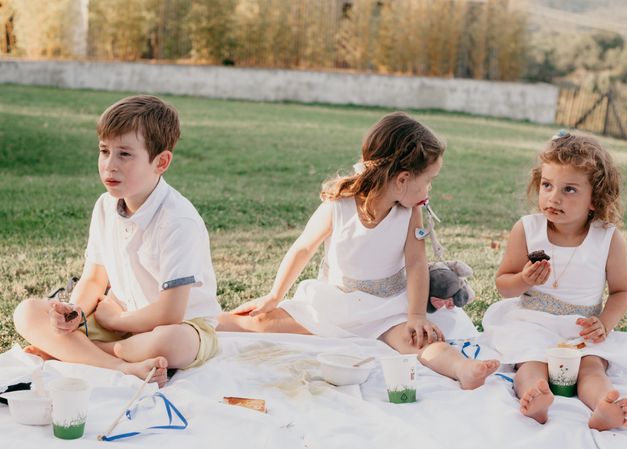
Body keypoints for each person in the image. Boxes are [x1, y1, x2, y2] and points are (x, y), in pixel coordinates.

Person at [218, 112, 499, 390]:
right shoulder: (339, 205)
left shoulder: (410, 212)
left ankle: (463, 368)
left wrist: (415, 315)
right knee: (260, 321)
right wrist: (274, 295)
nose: (430, 188)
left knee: (420, 342)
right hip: (334, 304)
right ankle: (198, 325)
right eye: (428, 179)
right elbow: (303, 247)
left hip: (388, 309)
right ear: (402, 179)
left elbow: (416, 263)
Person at [13, 95, 221, 387]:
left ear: (161, 162)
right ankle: (120, 366)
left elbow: (170, 312)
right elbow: (94, 279)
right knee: (28, 313)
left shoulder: (178, 220)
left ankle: (79, 353)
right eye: (104, 151)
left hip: (178, 325)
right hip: (121, 319)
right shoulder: (105, 206)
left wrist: (116, 322)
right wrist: (77, 311)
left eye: (124, 154)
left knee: (173, 343)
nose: (110, 165)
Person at [482, 130, 627, 430]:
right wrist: (524, 280)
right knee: (530, 362)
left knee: (591, 368)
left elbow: (621, 290)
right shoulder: (527, 229)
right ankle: (536, 398)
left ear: (595, 199)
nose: (554, 197)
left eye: (569, 190)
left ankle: (604, 405)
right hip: (532, 321)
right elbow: (503, 284)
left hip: (581, 329)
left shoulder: (606, 238)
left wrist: (604, 322)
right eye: (547, 185)